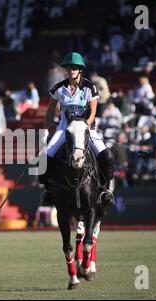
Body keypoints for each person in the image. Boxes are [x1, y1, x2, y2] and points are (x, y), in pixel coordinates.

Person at [38, 52, 115, 207]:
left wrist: (85, 126)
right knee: (45, 158)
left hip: (87, 130)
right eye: (69, 68)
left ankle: (105, 191)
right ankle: (49, 191)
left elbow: (93, 112)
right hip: (64, 129)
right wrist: (46, 131)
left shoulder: (89, 87)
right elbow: (50, 111)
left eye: (75, 68)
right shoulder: (59, 88)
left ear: (80, 69)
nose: (71, 70)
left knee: (106, 155)